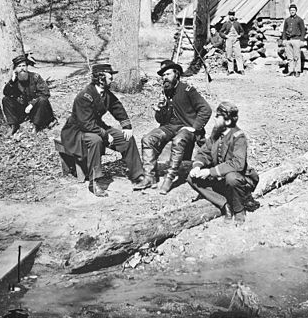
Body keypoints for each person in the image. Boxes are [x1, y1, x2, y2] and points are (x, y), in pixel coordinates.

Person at [60, 63, 150, 197]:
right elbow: (85, 123)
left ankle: (138, 175)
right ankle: (94, 182)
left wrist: (126, 126)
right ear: (101, 78)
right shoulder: (84, 96)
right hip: (76, 132)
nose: (112, 79)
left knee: (127, 138)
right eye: (110, 76)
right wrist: (105, 135)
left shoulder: (105, 94)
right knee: (96, 140)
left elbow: (117, 107)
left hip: (95, 126)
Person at [136, 59, 212, 195]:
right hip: (170, 127)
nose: (165, 78)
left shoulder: (188, 90)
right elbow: (162, 120)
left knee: (178, 140)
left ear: (176, 75)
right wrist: (160, 110)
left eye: (168, 74)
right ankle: (149, 177)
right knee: (148, 139)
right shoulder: (166, 92)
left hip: (186, 127)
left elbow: (205, 109)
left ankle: (170, 177)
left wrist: (195, 127)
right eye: (163, 75)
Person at [187, 101, 259, 224]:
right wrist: (197, 166)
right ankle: (224, 204)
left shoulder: (238, 137)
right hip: (221, 178)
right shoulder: (216, 133)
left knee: (231, 178)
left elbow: (238, 163)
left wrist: (210, 171)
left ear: (228, 121)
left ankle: (239, 209)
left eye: (217, 117)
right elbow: (205, 152)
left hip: (241, 179)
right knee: (191, 177)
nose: (214, 119)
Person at [2, 54, 55, 136]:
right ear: (15, 69)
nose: (22, 68)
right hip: (22, 109)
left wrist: (32, 104)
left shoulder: (35, 77)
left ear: (27, 67)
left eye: (24, 65)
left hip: (36, 108)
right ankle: (13, 125)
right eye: (19, 66)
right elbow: (6, 93)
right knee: (6, 99)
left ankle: (36, 126)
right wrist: (12, 82)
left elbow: (45, 93)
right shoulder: (14, 80)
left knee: (42, 100)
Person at [280, 4, 306, 77]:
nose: (292, 12)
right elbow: (284, 30)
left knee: (297, 56)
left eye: (293, 10)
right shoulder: (287, 20)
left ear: (296, 11)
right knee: (289, 57)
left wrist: (301, 40)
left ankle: (297, 70)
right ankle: (291, 70)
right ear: (289, 11)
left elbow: (303, 30)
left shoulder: (299, 20)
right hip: (289, 40)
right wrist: (284, 39)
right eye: (291, 10)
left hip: (296, 39)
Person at [219, 10, 245, 75]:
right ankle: (230, 70)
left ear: (234, 16)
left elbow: (242, 31)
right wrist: (225, 36)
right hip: (229, 40)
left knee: (238, 54)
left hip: (236, 40)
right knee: (229, 55)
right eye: (230, 15)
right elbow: (220, 32)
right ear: (229, 16)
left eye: (233, 15)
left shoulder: (237, 23)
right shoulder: (226, 24)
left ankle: (241, 69)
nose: (232, 16)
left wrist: (240, 35)